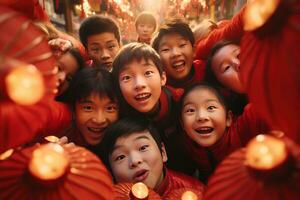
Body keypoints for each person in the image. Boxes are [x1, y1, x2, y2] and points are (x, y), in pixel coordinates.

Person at [112, 42, 193, 174]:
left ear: (163, 77)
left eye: (148, 73)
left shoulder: (181, 100)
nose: (139, 84)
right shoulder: (118, 117)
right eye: (127, 77)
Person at [179, 83, 269, 182]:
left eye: (210, 108)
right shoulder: (184, 143)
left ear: (228, 118)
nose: (201, 117)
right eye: (190, 110)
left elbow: (261, 108)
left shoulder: (243, 130)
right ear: (182, 123)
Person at [100, 117, 205, 198]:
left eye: (143, 147)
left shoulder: (196, 192)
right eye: (121, 157)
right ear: (110, 173)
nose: (135, 161)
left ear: (163, 152)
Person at [60, 67, 119, 151]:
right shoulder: (57, 136)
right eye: (88, 108)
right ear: (73, 109)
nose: (99, 120)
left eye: (109, 108)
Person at [152, 17, 206, 89]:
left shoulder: (206, 71)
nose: (175, 53)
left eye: (182, 45)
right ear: (158, 59)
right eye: (166, 49)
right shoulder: (158, 88)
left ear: (194, 50)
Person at [205, 40, 247, 115]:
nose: (237, 64)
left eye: (238, 55)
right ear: (225, 87)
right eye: (226, 67)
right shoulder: (246, 118)